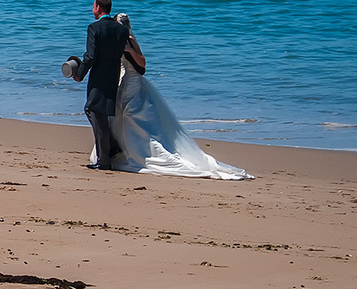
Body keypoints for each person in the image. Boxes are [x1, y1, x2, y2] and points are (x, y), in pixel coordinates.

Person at [96, 13, 252, 179]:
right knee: (123, 118)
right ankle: (124, 150)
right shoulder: (118, 39)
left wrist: (129, 50)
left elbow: (142, 64)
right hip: (123, 82)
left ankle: (140, 153)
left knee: (133, 116)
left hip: (133, 82)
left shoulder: (130, 39)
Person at [71, 0, 128, 171]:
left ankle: (105, 159)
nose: (92, 9)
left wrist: (80, 74)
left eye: (93, 6)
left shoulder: (94, 28)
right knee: (97, 111)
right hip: (113, 75)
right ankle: (110, 147)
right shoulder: (121, 30)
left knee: (94, 111)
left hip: (98, 76)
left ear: (97, 7)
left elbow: (90, 56)